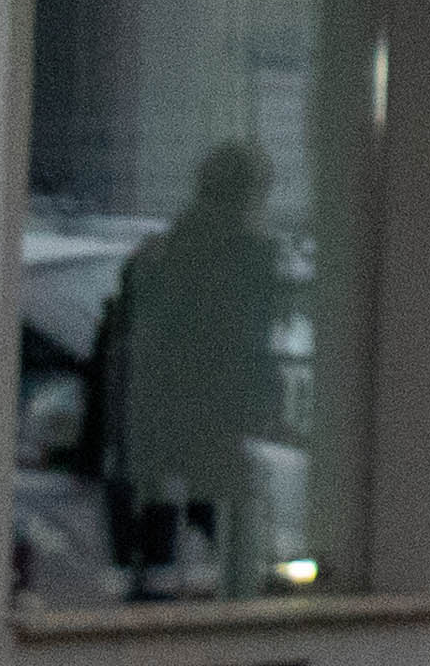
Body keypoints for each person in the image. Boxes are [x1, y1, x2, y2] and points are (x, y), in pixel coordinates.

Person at [92, 140, 295, 595]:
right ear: (249, 195)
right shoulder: (246, 256)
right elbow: (246, 345)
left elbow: (131, 343)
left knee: (158, 547)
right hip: (206, 417)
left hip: (154, 417)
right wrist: (263, 404)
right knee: (234, 526)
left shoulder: (163, 252)